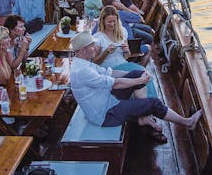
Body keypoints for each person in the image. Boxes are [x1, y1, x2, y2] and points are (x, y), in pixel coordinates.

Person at [69, 31, 202, 143]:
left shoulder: (84, 63)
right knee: (154, 104)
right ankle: (187, 122)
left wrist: (136, 76)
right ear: (82, 50)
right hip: (106, 114)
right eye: (92, 46)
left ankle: (143, 116)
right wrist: (139, 80)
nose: (96, 48)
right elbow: (116, 83)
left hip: (106, 99)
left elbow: (109, 72)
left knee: (137, 73)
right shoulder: (82, 71)